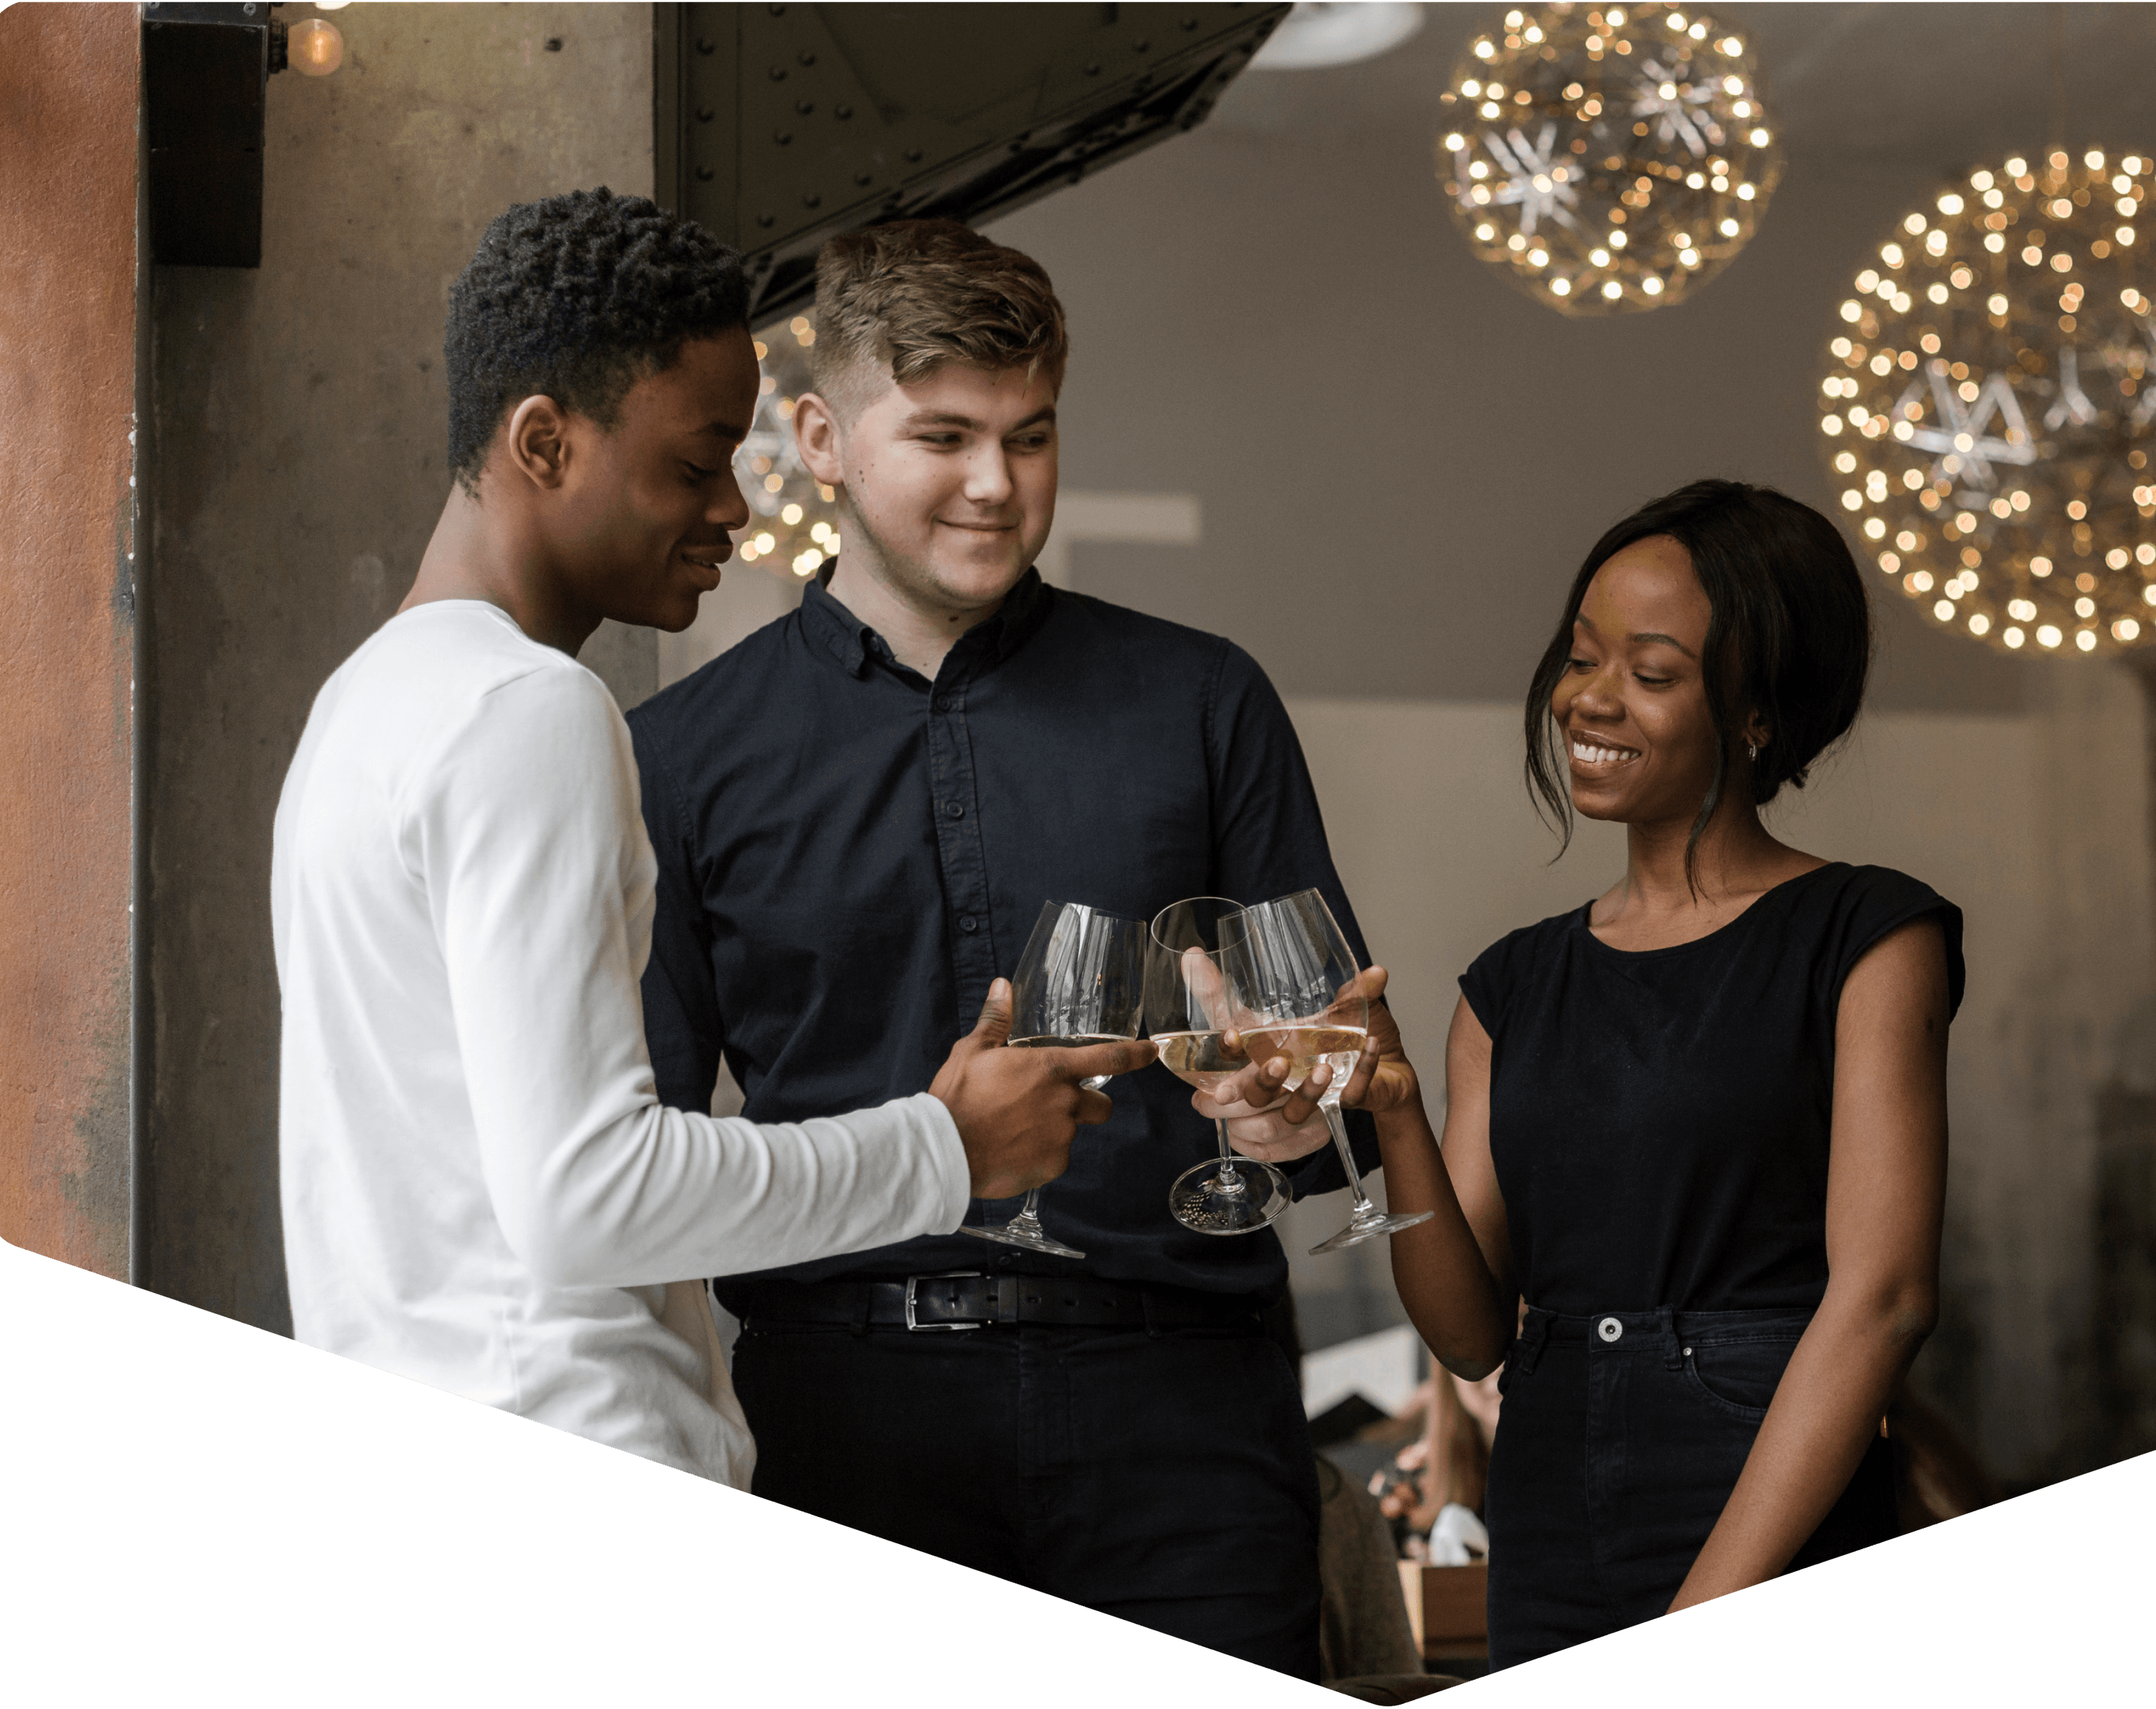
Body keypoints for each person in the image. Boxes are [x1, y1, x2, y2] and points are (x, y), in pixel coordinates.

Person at [272, 189, 1145, 1489]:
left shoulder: (361, 706)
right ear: (543, 444)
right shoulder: (530, 709)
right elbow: (588, 1197)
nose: (736, 513)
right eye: (693, 464)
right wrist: (945, 1147)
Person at [625, 218, 1372, 1678]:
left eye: (1029, 436)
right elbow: (633, 1167)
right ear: (821, 436)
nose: (995, 483)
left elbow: (1333, 1080)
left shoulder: (1204, 703)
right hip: (843, 1431)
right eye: (946, 435)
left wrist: (1302, 1107)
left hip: (1185, 1422)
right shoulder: (679, 761)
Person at [1240, 479, 1962, 1667]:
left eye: (1653, 670)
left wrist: (1708, 1605)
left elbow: (1883, 1301)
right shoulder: (1511, 985)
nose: (1589, 697)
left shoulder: (1868, 935)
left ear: (1757, 714)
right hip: (1552, 1495)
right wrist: (1401, 1114)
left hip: (1769, 1486)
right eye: (1582, 658)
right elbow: (1472, 1335)